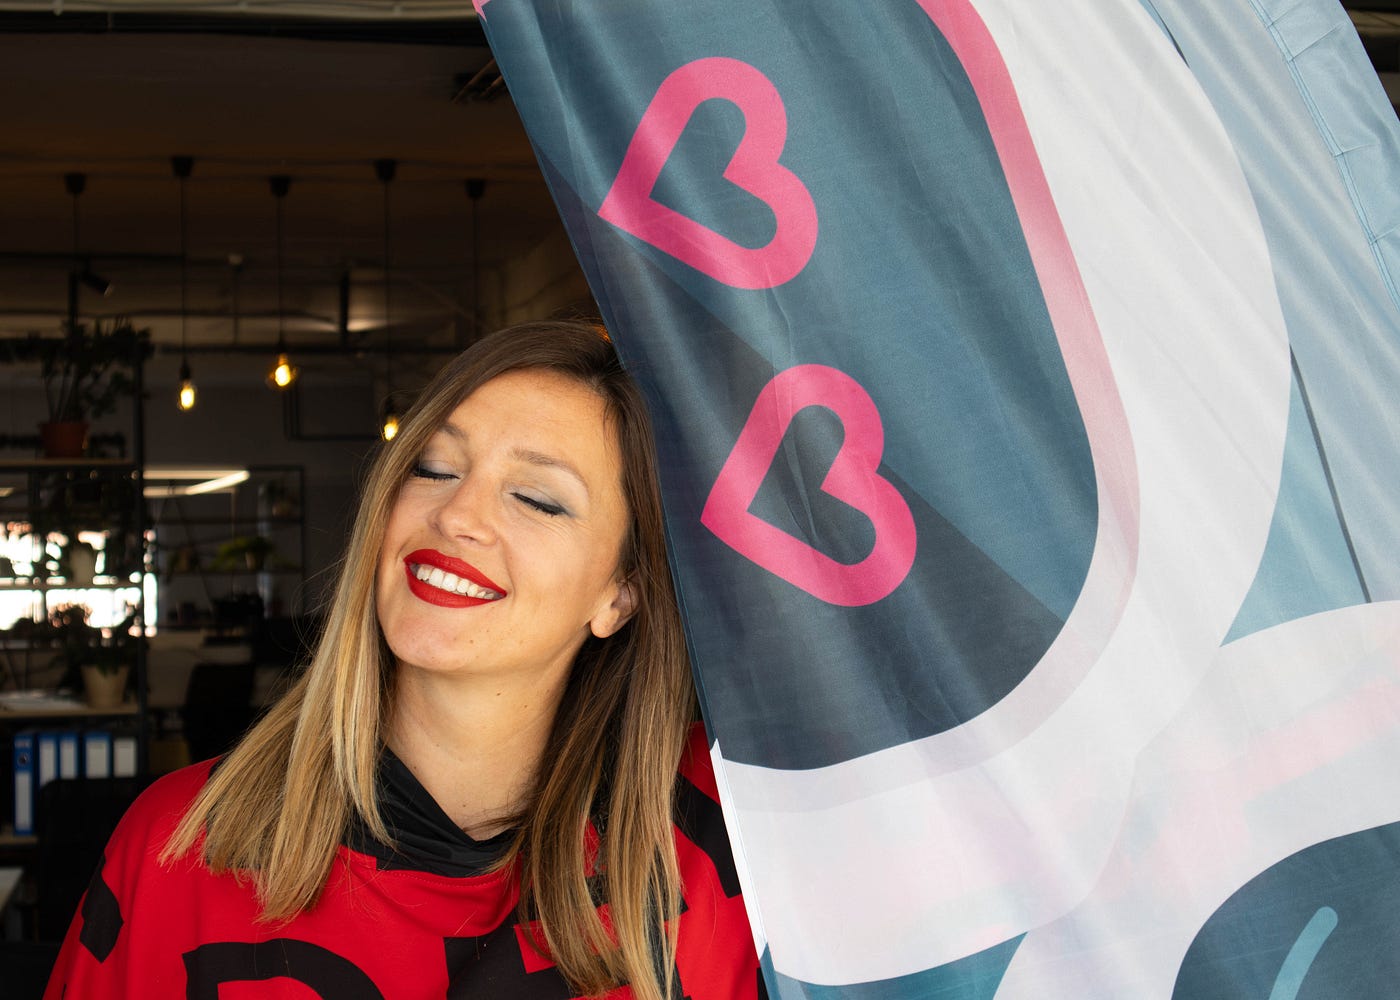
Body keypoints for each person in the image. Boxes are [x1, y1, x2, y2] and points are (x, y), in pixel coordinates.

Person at [45, 321, 762, 999]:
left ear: (621, 594)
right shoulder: (185, 844)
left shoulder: (729, 837)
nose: (457, 516)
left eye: (539, 500)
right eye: (433, 467)